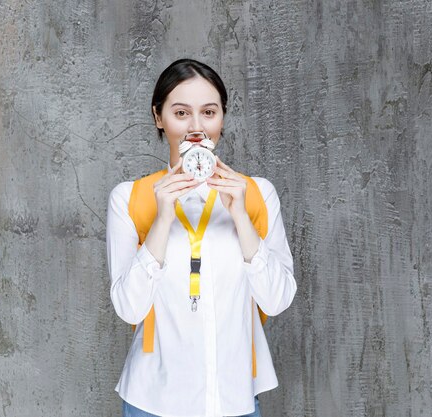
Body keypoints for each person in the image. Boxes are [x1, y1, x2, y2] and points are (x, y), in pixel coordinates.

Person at [106, 58, 297, 417]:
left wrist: (239, 215)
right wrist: (163, 218)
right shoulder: (129, 198)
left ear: (222, 118)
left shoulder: (257, 194)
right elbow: (129, 308)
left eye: (208, 112)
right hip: (152, 400)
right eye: (181, 113)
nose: (196, 128)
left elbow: (277, 300)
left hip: (233, 399)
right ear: (158, 117)